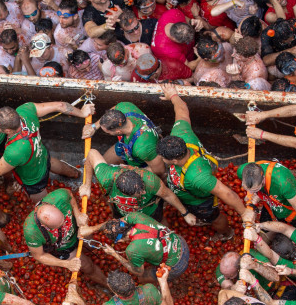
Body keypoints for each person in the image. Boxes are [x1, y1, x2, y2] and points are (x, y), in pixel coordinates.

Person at [156, 84, 247, 240]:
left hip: (199, 202)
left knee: (214, 217)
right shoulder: (181, 133)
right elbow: (182, 111)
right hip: (189, 187)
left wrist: (245, 213)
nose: (162, 160)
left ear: (175, 160)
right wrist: (173, 96)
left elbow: (226, 193)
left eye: (164, 159)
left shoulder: (197, 177)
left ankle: (226, 233)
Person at [0, 101, 89, 202]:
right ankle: (75, 173)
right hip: (42, 155)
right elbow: (61, 105)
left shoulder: (16, 150)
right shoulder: (24, 110)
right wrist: (83, 113)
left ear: (7, 130)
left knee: (44, 203)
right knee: (50, 163)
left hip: (34, 178)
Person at [79, 148, 195, 224]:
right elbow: (91, 154)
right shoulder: (107, 177)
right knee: (119, 219)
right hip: (121, 209)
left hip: (150, 212)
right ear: (123, 192)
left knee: (159, 221)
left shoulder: (150, 180)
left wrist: (185, 213)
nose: (144, 192)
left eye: (142, 189)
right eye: (139, 193)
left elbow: (168, 195)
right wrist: (87, 185)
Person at [22, 188, 107, 286]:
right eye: (58, 226)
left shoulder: (60, 196)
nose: (64, 226)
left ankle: (90, 252)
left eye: (63, 221)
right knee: (87, 266)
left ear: (55, 207)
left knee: (91, 245)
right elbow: (39, 255)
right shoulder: (31, 231)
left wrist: (77, 214)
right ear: (44, 226)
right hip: (64, 248)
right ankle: (106, 283)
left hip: (77, 230)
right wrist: (66, 264)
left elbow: (70, 195)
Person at [88, 211, 191, 282]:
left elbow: (139, 272)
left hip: (177, 264)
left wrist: (114, 254)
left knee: (143, 278)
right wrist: (93, 229)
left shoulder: (132, 250)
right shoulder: (135, 216)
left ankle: (158, 289)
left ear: (119, 240)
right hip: (181, 242)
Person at [238, 160, 296, 240]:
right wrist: (252, 200)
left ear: (263, 179)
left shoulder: (283, 183)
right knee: (264, 231)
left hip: (291, 210)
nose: (249, 192)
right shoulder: (242, 170)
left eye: (254, 190)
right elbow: (251, 190)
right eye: (246, 188)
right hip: (270, 204)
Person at [81, 102, 163, 173]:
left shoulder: (143, 147)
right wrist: (94, 126)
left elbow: (159, 170)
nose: (107, 133)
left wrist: (130, 170)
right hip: (125, 147)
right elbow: (113, 110)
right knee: (99, 168)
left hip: (141, 162)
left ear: (118, 132)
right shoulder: (125, 107)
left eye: (108, 132)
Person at [150, 8, 195, 81]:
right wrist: (200, 58)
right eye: (184, 42)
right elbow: (188, 67)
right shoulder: (167, 51)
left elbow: (186, 19)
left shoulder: (174, 13)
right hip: (180, 58)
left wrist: (192, 21)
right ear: (174, 39)